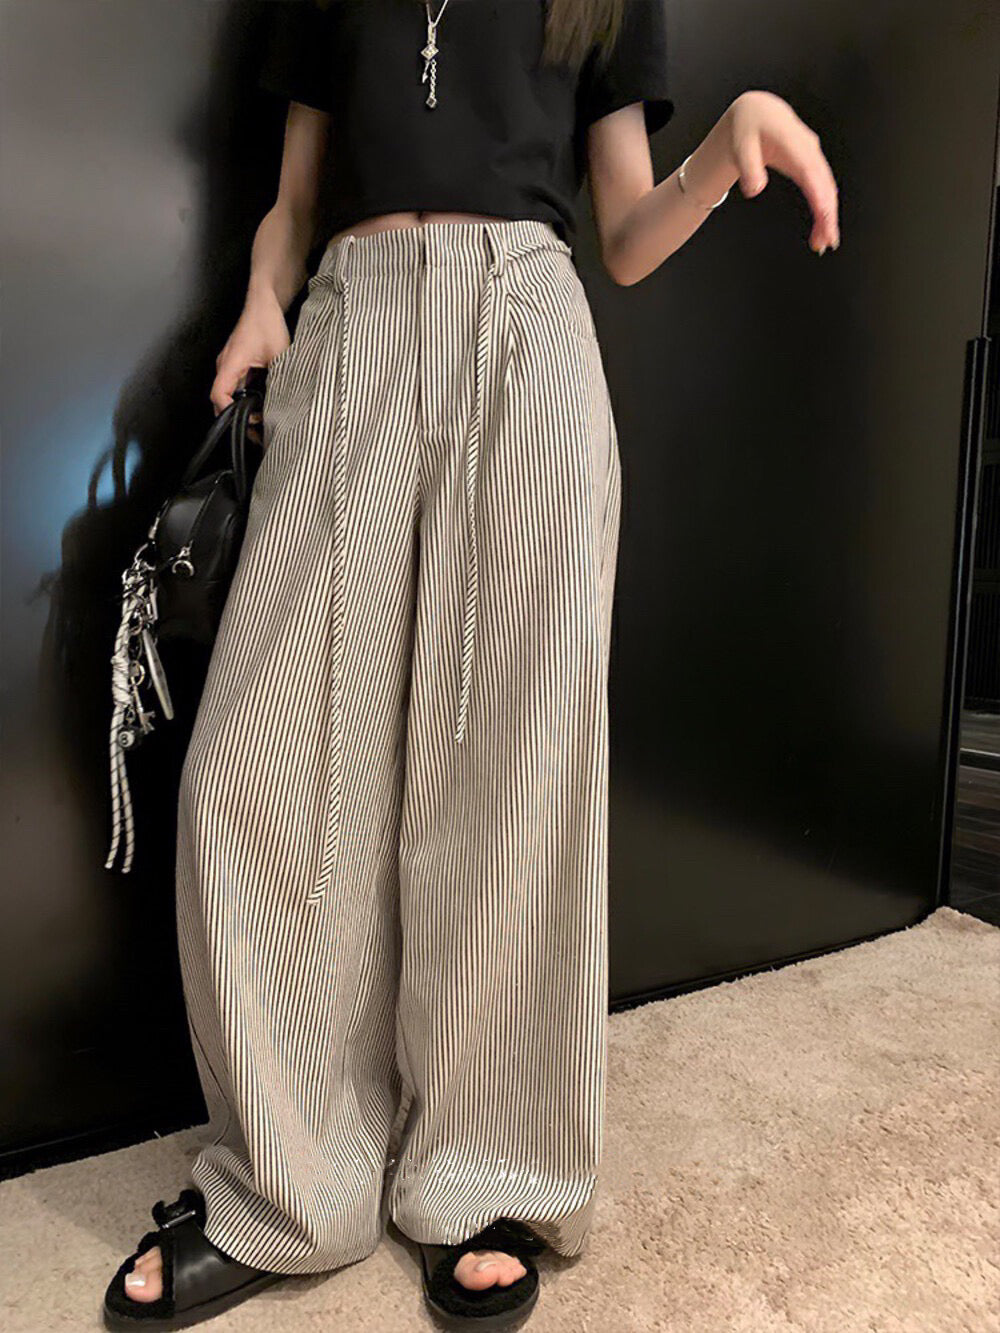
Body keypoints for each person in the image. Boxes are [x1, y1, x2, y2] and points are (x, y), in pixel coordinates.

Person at [102, 1, 839, 1329]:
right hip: (354, 328)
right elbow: (295, 203)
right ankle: (295, 1184)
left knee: (508, 780)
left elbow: (625, 236)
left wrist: (722, 143)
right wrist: (265, 305)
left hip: (526, 332)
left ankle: (485, 1172)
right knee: (256, 773)